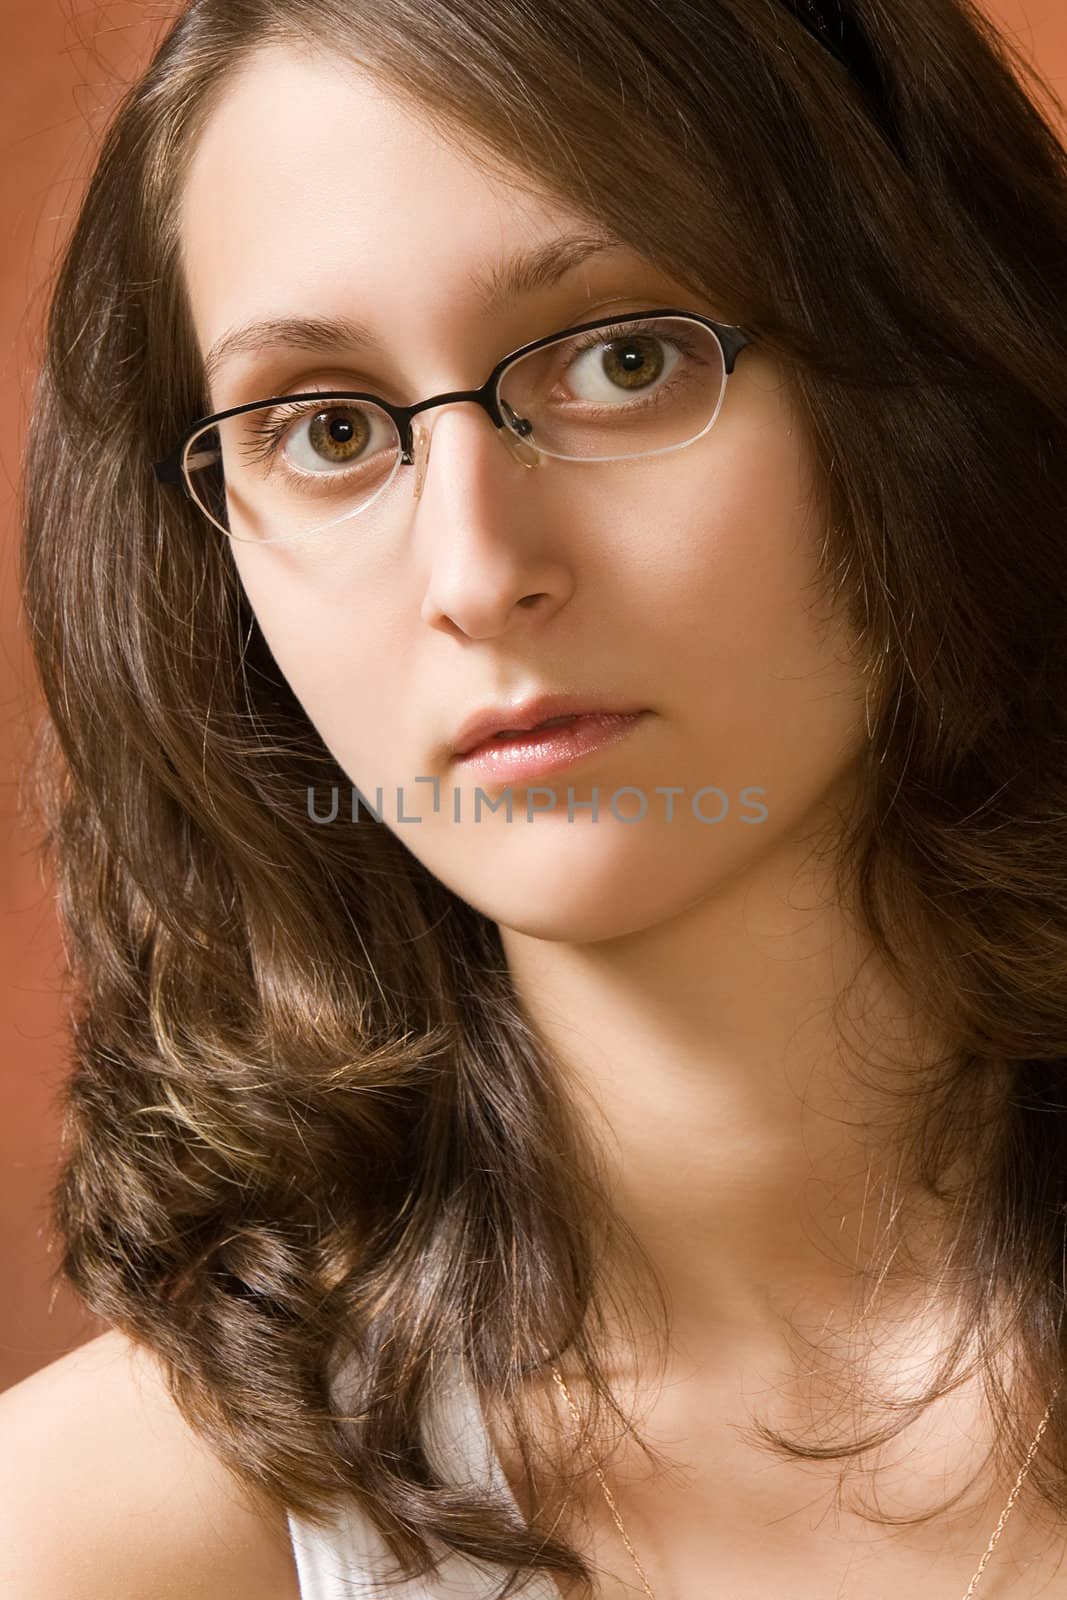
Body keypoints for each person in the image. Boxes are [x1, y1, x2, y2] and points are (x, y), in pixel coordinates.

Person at [3, 0, 1067, 1595]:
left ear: (932, 371)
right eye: (332, 428)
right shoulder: (95, 1542)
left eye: (621, 361)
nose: (479, 573)